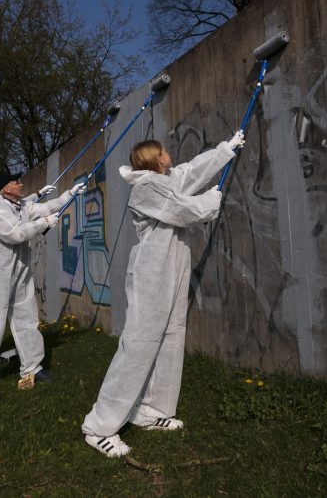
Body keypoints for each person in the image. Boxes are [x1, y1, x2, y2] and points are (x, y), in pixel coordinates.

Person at [81, 131, 244, 458]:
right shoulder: (145, 188)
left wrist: (226, 148)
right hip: (151, 272)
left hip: (174, 266)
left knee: (171, 337)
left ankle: (152, 411)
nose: (169, 155)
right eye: (164, 152)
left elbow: (192, 171)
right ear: (156, 159)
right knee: (139, 343)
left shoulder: (167, 179)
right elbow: (181, 210)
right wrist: (209, 202)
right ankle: (99, 427)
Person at [0, 175, 81, 390]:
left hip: (20, 272)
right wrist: (44, 223)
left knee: (27, 320)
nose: (21, 184)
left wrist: (68, 195)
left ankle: (32, 367)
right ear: (6, 188)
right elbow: (14, 234)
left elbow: (43, 208)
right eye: (16, 182)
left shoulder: (19, 206)